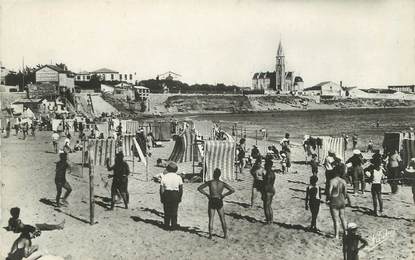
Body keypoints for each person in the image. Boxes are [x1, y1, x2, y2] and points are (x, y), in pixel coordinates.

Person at [198, 168, 235, 239]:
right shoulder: (222, 183)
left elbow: (199, 188)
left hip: (212, 199)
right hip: (219, 199)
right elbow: (232, 190)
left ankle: (210, 235)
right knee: (222, 219)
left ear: (213, 174)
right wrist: (224, 195)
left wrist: (207, 194)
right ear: (220, 175)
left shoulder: (210, 182)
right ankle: (225, 235)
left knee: (211, 219)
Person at [328, 165, 351, 239]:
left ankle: (336, 235)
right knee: (342, 217)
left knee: (335, 219)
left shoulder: (332, 181)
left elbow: (329, 192)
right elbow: (345, 192)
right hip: (341, 200)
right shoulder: (343, 181)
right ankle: (346, 232)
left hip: (334, 200)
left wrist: (328, 199)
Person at [160, 162, 183, 230]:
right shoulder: (178, 177)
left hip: (167, 194)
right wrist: (180, 197)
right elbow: (181, 188)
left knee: (166, 211)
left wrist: (162, 197)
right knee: (174, 211)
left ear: (168, 169)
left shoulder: (164, 177)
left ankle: (166, 225)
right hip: (175, 194)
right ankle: (173, 225)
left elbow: (161, 189)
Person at [262, 157, 276, 224]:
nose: (264, 166)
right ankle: (271, 220)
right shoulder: (272, 173)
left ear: (268, 166)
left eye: (265, 165)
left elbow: (266, 184)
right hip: (272, 190)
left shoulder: (268, 174)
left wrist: (263, 193)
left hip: (267, 191)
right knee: (269, 206)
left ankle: (268, 221)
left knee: (266, 206)